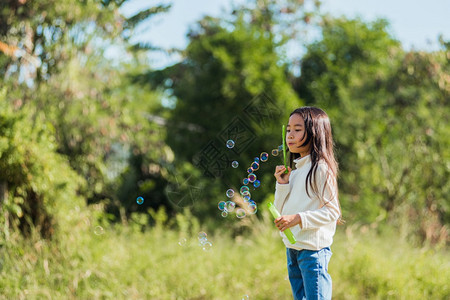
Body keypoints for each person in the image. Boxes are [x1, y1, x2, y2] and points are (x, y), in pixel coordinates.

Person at [273, 106, 342, 300]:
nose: (290, 135)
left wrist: (297, 219)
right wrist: (282, 184)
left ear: (314, 133)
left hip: (313, 252)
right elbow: (279, 210)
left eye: (297, 129)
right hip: (293, 249)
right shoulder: (294, 171)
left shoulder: (320, 169)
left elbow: (332, 212)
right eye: (288, 130)